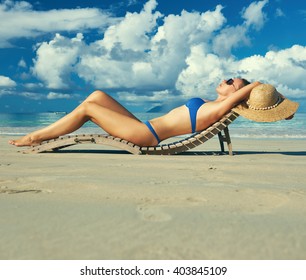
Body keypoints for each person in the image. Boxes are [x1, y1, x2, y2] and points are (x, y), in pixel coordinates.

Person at [8, 78, 264, 147]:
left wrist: (257, 86)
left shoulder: (219, 108)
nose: (226, 80)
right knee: (97, 95)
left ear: (236, 95)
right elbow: (242, 91)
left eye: (233, 82)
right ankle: (58, 128)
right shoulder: (212, 102)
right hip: (143, 126)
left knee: (88, 108)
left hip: (146, 135)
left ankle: (36, 136)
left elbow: (249, 91)